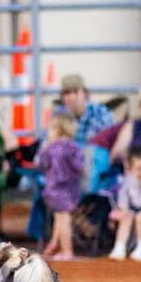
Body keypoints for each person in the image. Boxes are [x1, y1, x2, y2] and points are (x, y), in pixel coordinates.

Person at [34, 109, 85, 260]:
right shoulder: (74, 147)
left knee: (60, 218)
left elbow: (41, 164)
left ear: (58, 130)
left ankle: (60, 248)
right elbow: (80, 166)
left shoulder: (50, 147)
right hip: (69, 190)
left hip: (53, 189)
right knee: (64, 218)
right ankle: (66, 250)